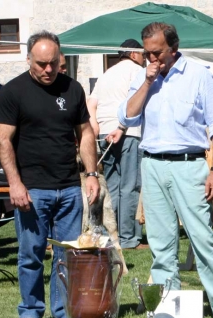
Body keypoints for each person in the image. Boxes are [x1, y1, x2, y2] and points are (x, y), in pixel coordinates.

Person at [117, 22, 213, 318]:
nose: (152, 58)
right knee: (160, 244)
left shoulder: (199, 75)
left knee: (203, 240)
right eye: (147, 53)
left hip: (190, 165)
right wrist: (147, 81)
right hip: (153, 164)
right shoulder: (143, 76)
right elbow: (127, 116)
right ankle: (167, 315)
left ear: (173, 47)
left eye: (157, 52)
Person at [0, 30, 100, 318]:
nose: (48, 70)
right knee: (31, 254)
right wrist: (15, 184)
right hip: (31, 189)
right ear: (28, 59)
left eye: (53, 63)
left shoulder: (73, 89)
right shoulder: (13, 92)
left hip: (68, 187)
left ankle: (63, 313)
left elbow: (86, 134)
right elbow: (2, 140)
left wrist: (91, 175)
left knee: (67, 255)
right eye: (41, 64)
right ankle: (30, 312)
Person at [87, 39, 145, 249]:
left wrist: (96, 128)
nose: (145, 58)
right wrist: (121, 126)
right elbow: (136, 102)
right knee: (130, 186)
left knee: (112, 188)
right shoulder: (137, 71)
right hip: (128, 131)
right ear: (133, 53)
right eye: (143, 54)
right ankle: (128, 238)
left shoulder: (106, 74)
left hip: (104, 132)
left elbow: (90, 105)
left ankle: (113, 236)